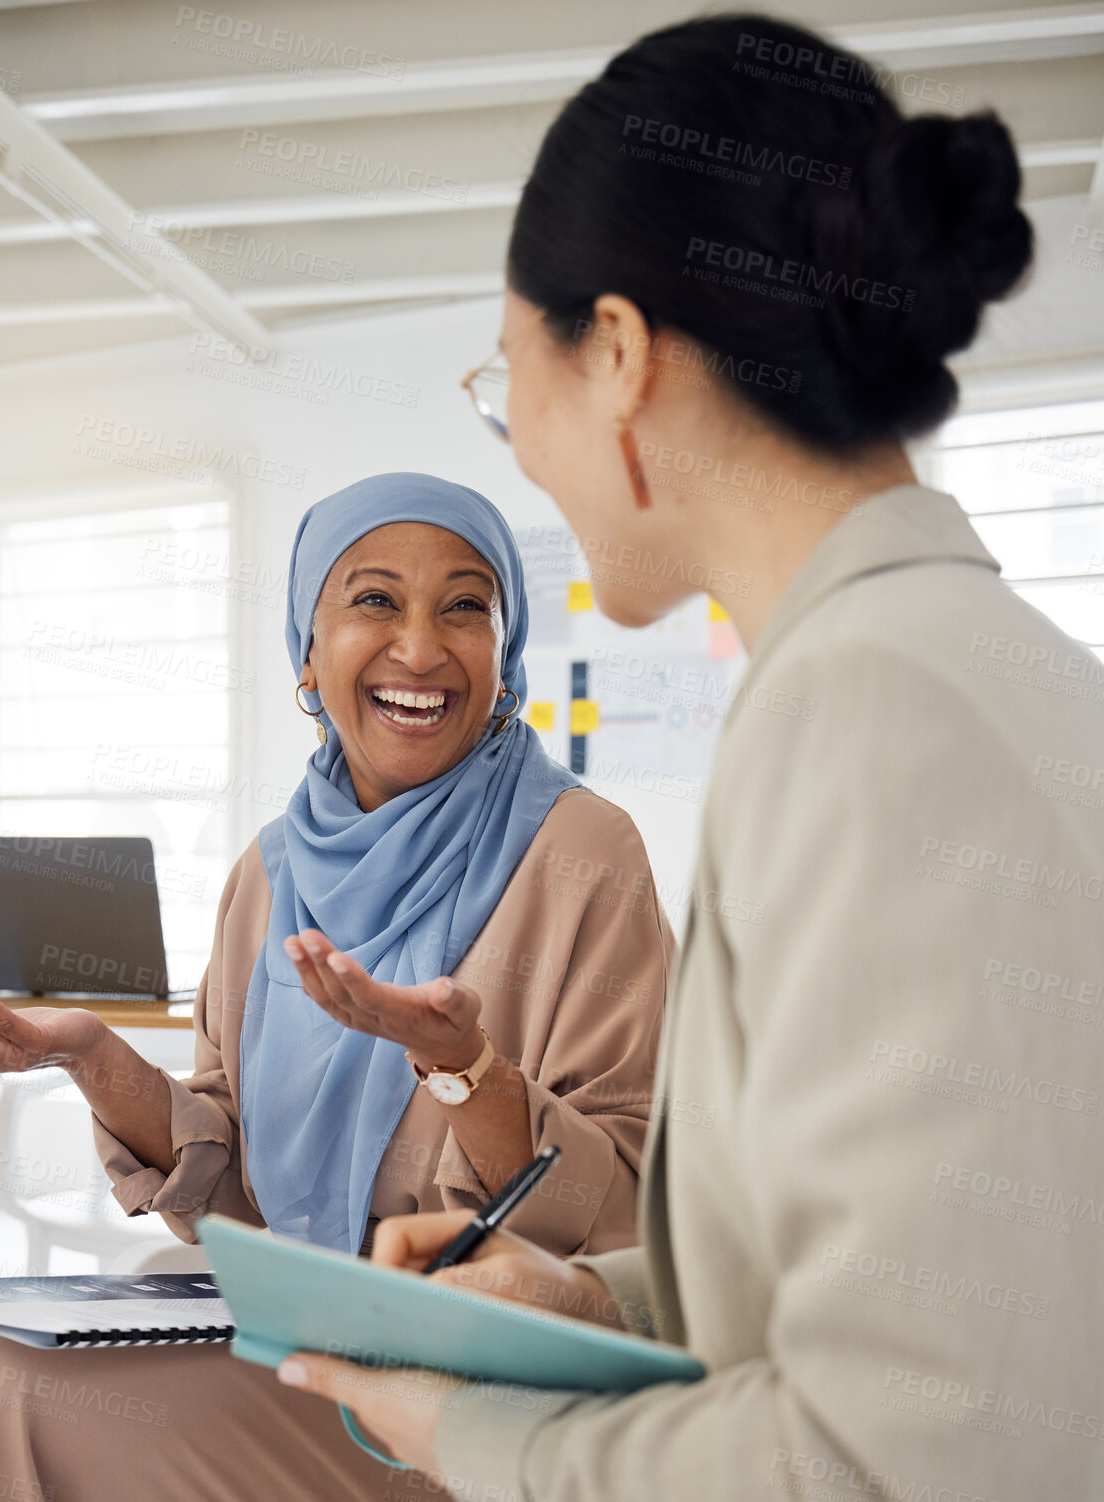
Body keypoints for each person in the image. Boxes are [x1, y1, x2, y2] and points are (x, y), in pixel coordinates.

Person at [273, 16, 1104, 1502]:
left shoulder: (877, 719)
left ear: (614, 352)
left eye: (502, 382)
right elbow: (915, 1274)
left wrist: (466, 1435)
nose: (518, 444)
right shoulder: (956, 672)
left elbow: (904, 1445)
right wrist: (597, 1298)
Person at [0, 473, 675, 1501]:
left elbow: (623, 1216)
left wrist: (460, 1064)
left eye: (465, 605)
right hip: (287, 1327)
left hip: (474, 1390)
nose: (420, 647)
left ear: (505, 657)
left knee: (1, 1406)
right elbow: (229, 1193)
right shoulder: (273, 867)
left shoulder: (583, 853)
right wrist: (92, 1056)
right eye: (374, 600)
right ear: (306, 651)